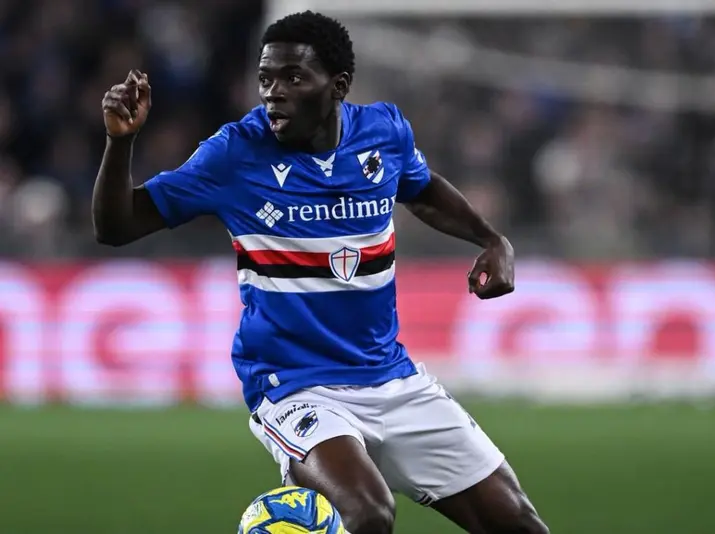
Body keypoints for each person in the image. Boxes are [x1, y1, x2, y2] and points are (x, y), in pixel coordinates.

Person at [93, 10, 548, 534]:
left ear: (339, 86)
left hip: (391, 377)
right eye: (266, 79)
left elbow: (422, 189)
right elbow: (117, 227)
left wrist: (490, 239)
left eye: (293, 77)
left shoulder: (383, 132)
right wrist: (120, 142)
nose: (274, 93)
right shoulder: (235, 154)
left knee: (520, 524)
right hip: (295, 386)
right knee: (367, 513)